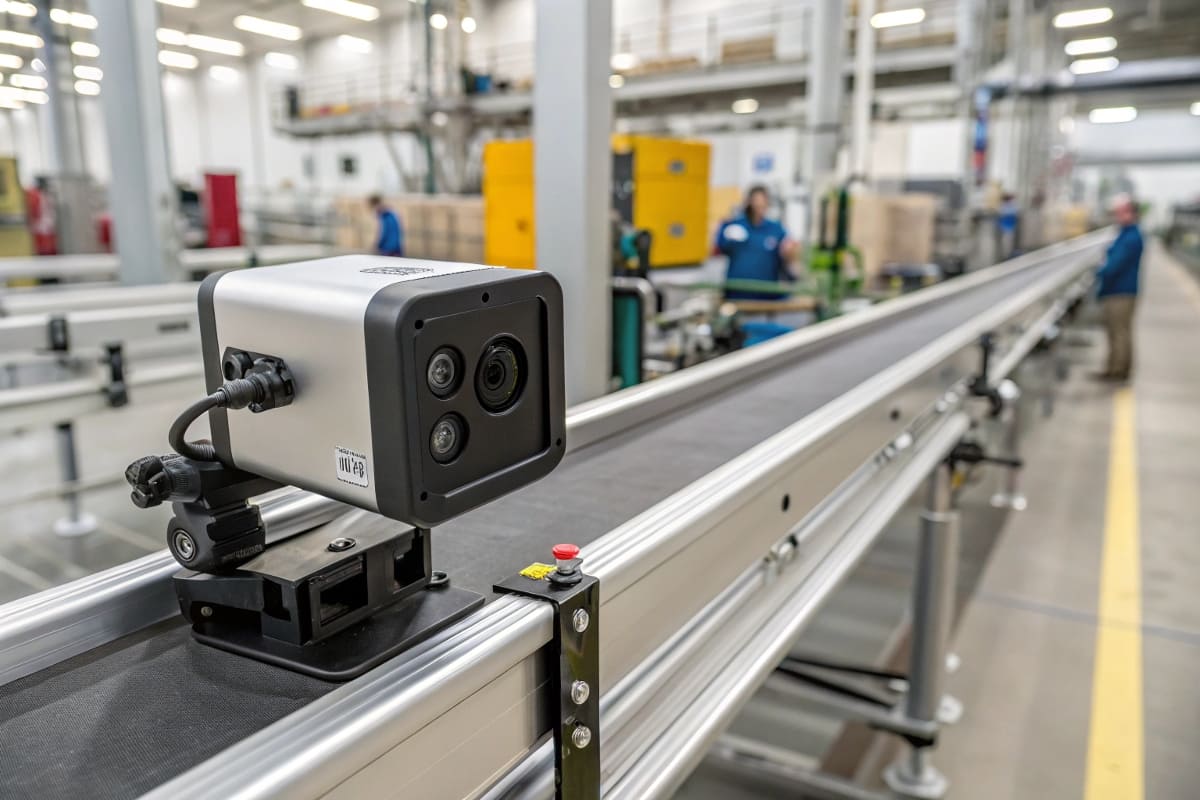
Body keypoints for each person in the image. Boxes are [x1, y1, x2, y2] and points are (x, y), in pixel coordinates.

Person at [715, 185, 798, 300]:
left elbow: (789, 258)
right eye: (756, 200)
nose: (759, 204)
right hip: (737, 293)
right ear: (748, 202)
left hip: (766, 294)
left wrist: (790, 253)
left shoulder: (776, 229)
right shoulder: (734, 226)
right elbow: (719, 247)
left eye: (763, 201)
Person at [1094, 194, 1143, 382]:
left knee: (1119, 332)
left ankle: (1118, 371)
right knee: (1118, 331)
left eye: (1121, 212)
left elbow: (1114, 265)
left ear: (1131, 213)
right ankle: (1115, 367)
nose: (1117, 216)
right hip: (1119, 290)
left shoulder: (1131, 237)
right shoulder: (1125, 234)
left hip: (1120, 291)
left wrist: (1100, 270)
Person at [997, 192, 1019, 259]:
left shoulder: (1003, 206)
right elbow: (1015, 214)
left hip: (1006, 227)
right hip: (1008, 227)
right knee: (1007, 242)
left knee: (1006, 241)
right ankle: (1006, 255)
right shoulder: (1009, 206)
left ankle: (1006, 254)